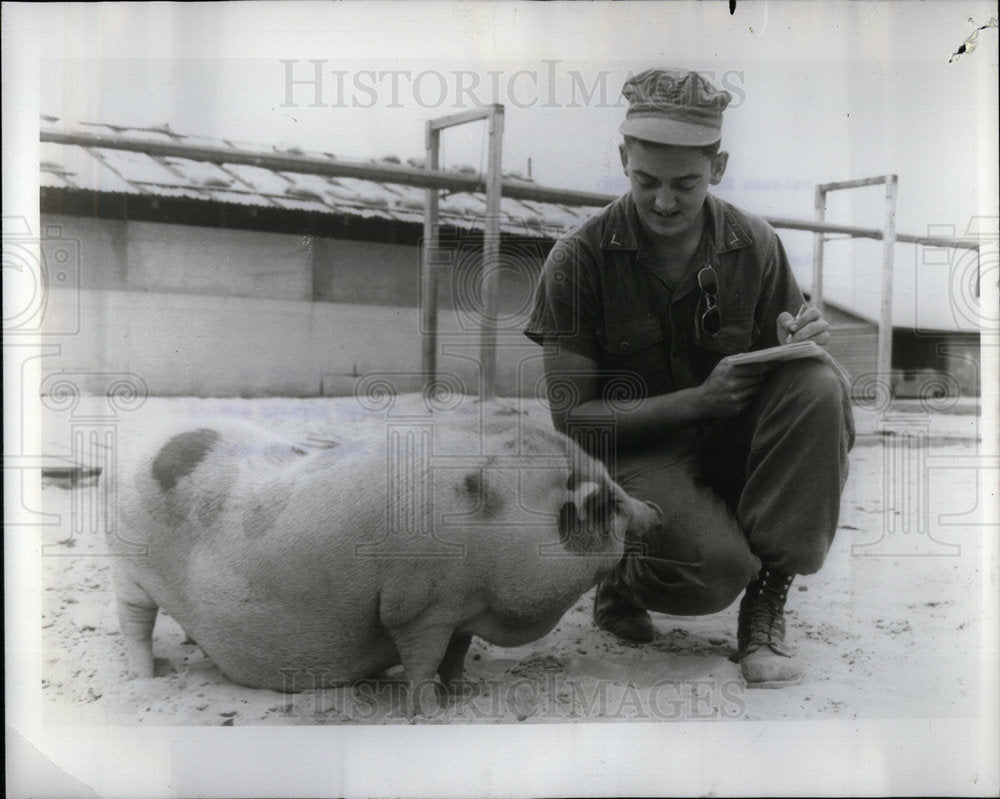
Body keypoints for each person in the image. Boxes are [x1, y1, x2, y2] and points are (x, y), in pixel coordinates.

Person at [524, 68, 855, 687]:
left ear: (719, 165)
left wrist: (800, 342)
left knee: (819, 386)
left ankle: (766, 605)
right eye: (645, 181)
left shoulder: (753, 244)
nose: (665, 202)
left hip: (730, 439)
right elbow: (574, 421)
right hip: (634, 454)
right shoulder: (579, 259)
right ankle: (619, 573)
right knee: (711, 574)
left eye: (687, 183)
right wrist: (698, 402)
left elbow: (784, 372)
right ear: (623, 158)